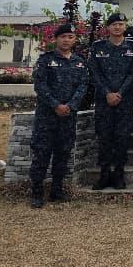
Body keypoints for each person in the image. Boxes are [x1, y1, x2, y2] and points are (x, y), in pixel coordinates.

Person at [29, 24, 88, 208]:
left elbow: (83, 86)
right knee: (42, 154)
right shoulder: (46, 60)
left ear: (75, 40)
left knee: (63, 154)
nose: (66, 40)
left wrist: (70, 105)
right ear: (56, 39)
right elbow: (40, 85)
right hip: (47, 116)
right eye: (63, 36)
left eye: (70, 37)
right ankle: (37, 192)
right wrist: (56, 105)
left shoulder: (79, 62)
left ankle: (57, 190)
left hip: (68, 116)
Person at [88, 13, 133, 190]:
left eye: (120, 24)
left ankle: (118, 174)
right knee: (104, 137)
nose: (117, 27)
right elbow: (94, 72)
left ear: (125, 27)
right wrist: (107, 93)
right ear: (108, 27)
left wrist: (120, 93)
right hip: (104, 101)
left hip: (124, 100)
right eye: (114, 24)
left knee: (122, 138)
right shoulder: (98, 47)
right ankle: (104, 174)